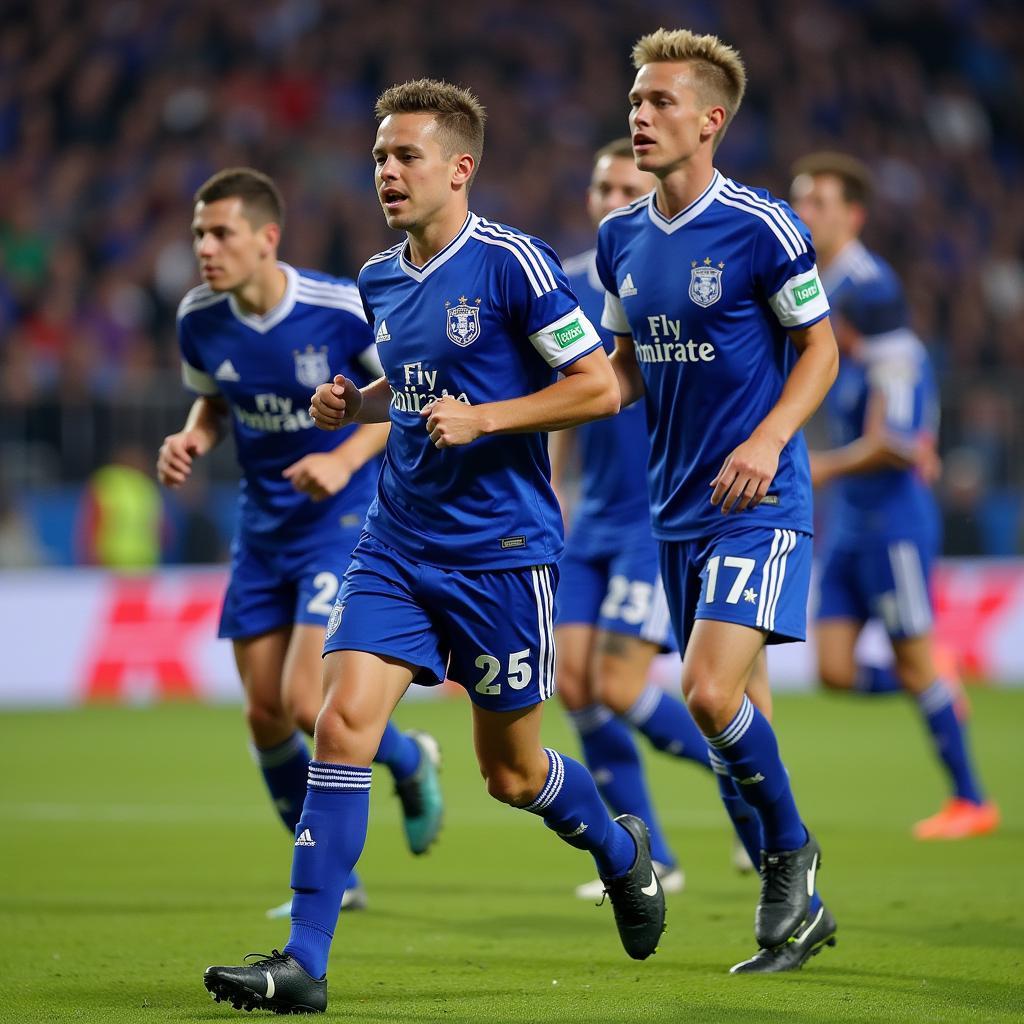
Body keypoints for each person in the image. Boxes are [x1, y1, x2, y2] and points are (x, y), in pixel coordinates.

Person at [203, 79, 666, 1015]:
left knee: (511, 773)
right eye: (378, 156)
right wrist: (354, 404)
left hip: (502, 553)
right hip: (397, 541)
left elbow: (598, 387)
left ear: (460, 168)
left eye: (405, 156)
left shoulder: (516, 265)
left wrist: (489, 417)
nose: (386, 172)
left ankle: (622, 852)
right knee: (336, 723)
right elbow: (410, 387)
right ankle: (304, 961)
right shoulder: (379, 278)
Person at [597, 28, 840, 973]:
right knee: (737, 720)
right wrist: (510, 412)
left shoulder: (763, 225)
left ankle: (788, 857)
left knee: (705, 692)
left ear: (711, 120)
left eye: (660, 103)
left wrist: (769, 435)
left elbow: (820, 349)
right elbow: (618, 376)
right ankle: (798, 908)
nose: (640, 117)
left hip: (760, 498)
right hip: (675, 511)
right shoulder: (620, 236)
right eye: (634, 102)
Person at [157, 167, 444, 919]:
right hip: (263, 527)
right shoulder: (199, 316)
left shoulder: (337, 308)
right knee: (263, 715)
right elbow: (214, 400)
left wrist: (341, 456)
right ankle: (338, 872)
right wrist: (191, 438)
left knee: (301, 695)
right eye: (198, 234)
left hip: (341, 520)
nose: (206, 248)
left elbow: (404, 399)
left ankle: (410, 760)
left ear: (267, 238)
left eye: (221, 233)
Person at [553, 139, 754, 901]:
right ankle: (654, 855)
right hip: (590, 515)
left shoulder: (672, 270)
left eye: (623, 185)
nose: (609, 197)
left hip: (654, 512)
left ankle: (749, 770)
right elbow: (571, 395)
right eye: (600, 184)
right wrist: (558, 483)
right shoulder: (568, 282)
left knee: (617, 680)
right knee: (574, 684)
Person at [790, 151, 999, 841]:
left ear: (853, 214)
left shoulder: (870, 291)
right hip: (851, 518)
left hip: (895, 518)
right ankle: (931, 680)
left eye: (818, 202)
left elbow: (901, 418)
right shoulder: (822, 287)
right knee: (833, 671)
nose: (805, 214)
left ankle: (971, 798)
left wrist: (825, 465)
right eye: (800, 201)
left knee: (912, 660)